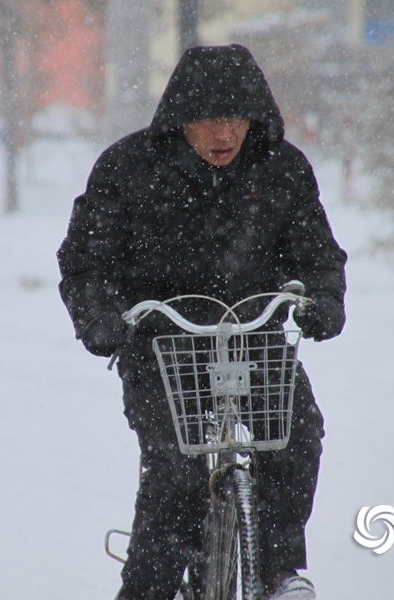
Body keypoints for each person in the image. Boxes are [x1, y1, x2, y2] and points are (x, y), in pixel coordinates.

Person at [57, 44, 346, 600]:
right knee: (178, 472)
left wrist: (325, 300)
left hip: (254, 339)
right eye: (210, 119)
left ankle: (275, 571)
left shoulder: (281, 169)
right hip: (161, 347)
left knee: (297, 433)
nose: (225, 134)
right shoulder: (127, 169)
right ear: (179, 120)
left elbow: (318, 255)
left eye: (236, 119)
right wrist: (99, 318)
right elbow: (85, 259)